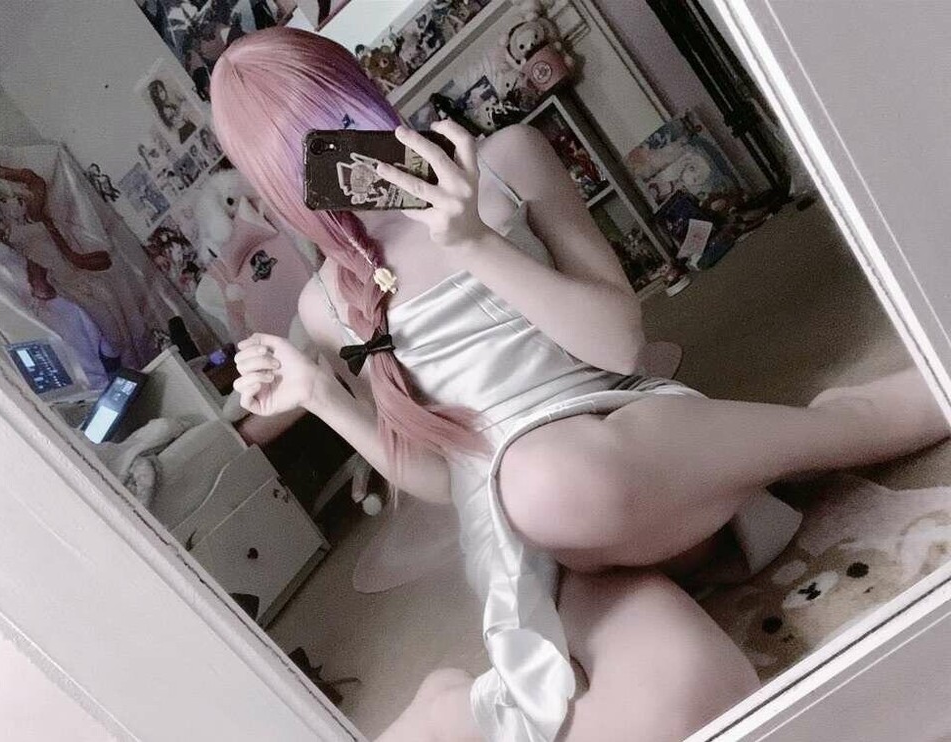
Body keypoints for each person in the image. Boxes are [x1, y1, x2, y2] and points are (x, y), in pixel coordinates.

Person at [209, 28, 949, 742]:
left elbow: (618, 343)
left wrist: (475, 244)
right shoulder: (329, 301)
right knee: (692, 698)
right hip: (548, 552)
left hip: (630, 448)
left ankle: (831, 429)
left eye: (344, 122)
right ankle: (449, 713)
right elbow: (445, 479)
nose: (347, 159)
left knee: (557, 480)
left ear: (366, 92)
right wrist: (321, 398)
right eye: (309, 158)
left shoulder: (507, 160)